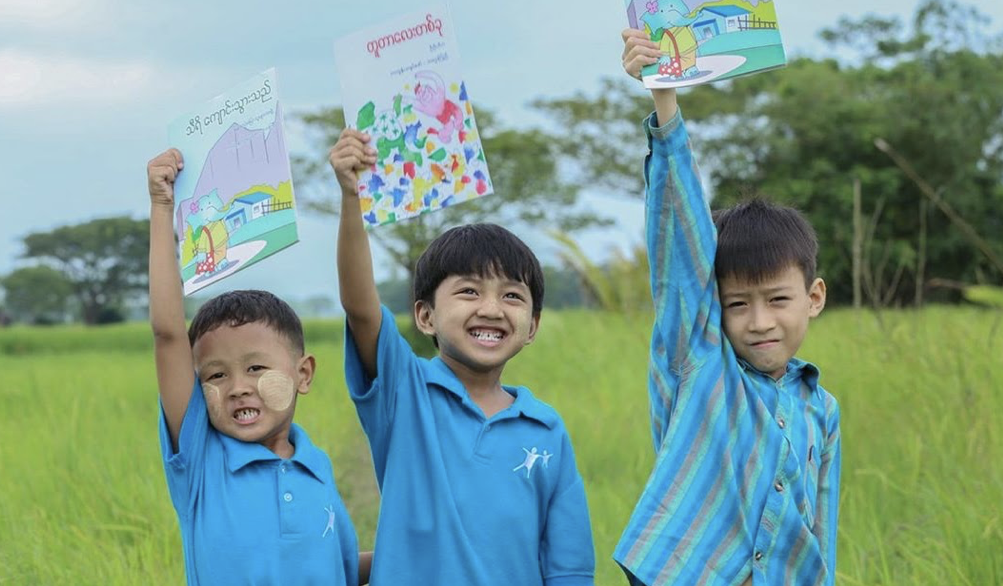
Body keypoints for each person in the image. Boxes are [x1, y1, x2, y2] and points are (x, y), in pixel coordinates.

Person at [612, 29, 842, 586]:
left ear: (813, 299)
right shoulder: (700, 365)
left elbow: (820, 524)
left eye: (778, 300)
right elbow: (682, 260)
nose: (759, 321)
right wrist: (665, 101)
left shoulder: (822, 409)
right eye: (737, 304)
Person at [328, 131, 596, 585]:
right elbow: (360, 308)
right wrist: (351, 197)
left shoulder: (547, 430)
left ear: (532, 326)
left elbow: (568, 565)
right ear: (425, 316)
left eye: (512, 296)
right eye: (469, 291)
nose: (491, 309)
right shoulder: (404, 393)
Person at [147, 148, 370, 586]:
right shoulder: (201, 463)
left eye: (255, 368)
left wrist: (423, 551)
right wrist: (161, 209)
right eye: (215, 375)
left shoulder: (316, 468)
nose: (237, 388)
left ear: (303, 374)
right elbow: (168, 334)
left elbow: (342, 569)